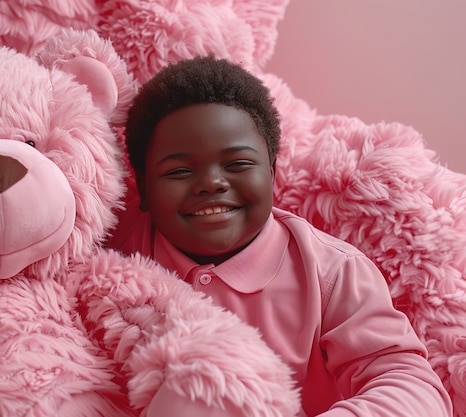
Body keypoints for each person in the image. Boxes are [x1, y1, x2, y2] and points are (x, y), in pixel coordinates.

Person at [106, 55, 453, 416]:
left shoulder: (333, 273)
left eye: (237, 164)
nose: (211, 183)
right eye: (179, 171)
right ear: (144, 188)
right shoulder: (115, 257)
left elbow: (412, 386)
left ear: (272, 174)